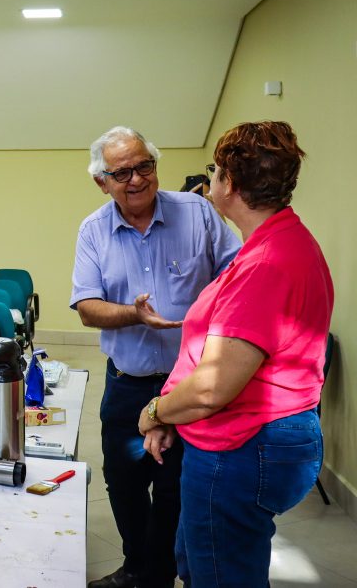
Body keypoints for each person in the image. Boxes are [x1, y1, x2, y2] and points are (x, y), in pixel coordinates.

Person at [137, 121, 333, 586]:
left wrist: (155, 411)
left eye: (216, 170)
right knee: (198, 560)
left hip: (245, 446)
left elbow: (211, 389)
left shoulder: (266, 264)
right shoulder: (278, 241)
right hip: (250, 438)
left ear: (231, 183)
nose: (212, 181)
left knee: (221, 575)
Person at [70, 125, 240, 588]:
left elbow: (238, 274)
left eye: (144, 166)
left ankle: (159, 573)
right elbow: (86, 307)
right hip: (128, 382)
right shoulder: (93, 230)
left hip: (191, 384)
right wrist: (134, 314)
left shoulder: (198, 212)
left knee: (175, 488)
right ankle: (136, 566)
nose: (136, 179)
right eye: (121, 172)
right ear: (101, 181)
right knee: (122, 482)